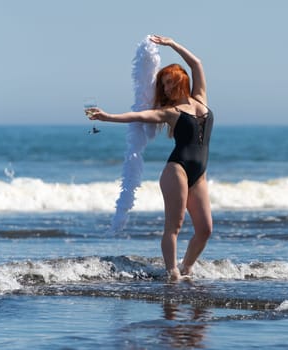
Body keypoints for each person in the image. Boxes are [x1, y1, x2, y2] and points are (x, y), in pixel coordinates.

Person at [87, 35, 213, 281]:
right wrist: (107, 117)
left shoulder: (200, 98)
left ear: (180, 79)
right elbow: (138, 116)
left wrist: (171, 44)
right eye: (163, 85)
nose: (165, 88)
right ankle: (172, 274)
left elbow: (196, 63)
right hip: (177, 170)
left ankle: (186, 268)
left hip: (200, 175)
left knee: (205, 229)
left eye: (168, 82)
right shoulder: (170, 113)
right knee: (173, 227)